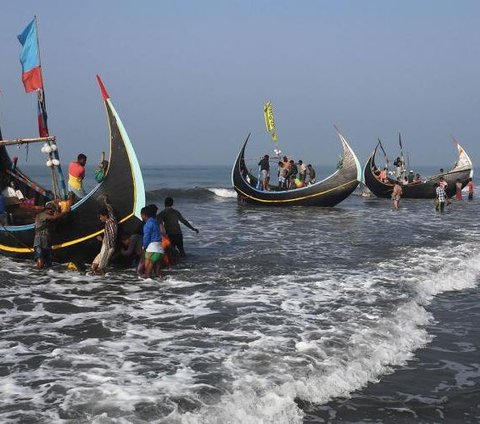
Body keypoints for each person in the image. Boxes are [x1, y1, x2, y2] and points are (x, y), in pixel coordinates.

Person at [33, 201, 66, 269]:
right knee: (40, 258)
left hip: (47, 241)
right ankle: (38, 274)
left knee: (48, 262)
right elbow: (54, 217)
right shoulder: (42, 215)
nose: (52, 212)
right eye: (52, 210)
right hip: (39, 240)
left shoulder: (47, 218)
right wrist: (65, 212)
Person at [91, 197, 117, 275]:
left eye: (100, 216)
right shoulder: (109, 219)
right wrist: (106, 201)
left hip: (108, 248)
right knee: (93, 266)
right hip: (104, 246)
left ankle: (104, 282)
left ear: (105, 216)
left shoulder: (111, 222)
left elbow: (112, 238)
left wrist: (102, 239)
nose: (100, 218)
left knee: (100, 268)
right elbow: (110, 209)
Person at [141, 206, 163, 278]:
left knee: (148, 273)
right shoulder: (156, 222)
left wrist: (144, 247)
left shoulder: (148, 224)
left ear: (144, 215)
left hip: (152, 249)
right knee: (158, 273)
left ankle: (149, 288)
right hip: (160, 249)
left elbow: (146, 238)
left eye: (141, 215)